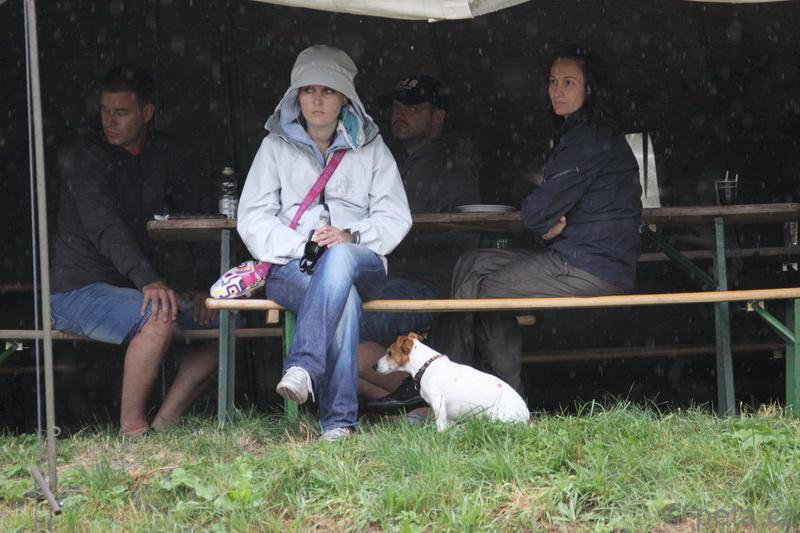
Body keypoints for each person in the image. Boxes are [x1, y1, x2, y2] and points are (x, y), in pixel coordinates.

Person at [435, 46, 642, 394]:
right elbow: (544, 212)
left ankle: (495, 396)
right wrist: (549, 223)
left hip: (591, 264)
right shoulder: (578, 132)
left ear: (590, 88)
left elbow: (534, 213)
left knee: (485, 292)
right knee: (470, 264)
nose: (557, 91)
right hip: (576, 253)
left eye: (569, 82)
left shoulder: (588, 138)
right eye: (552, 81)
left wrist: (547, 219)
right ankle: (454, 380)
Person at [237, 45, 411, 441]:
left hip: (360, 261)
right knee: (343, 299)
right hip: (293, 266)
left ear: (345, 98)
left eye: (328, 91)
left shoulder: (371, 146)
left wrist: (351, 236)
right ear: (295, 96)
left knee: (341, 259)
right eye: (308, 90)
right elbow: (253, 217)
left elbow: (395, 216)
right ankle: (339, 423)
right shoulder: (274, 147)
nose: (317, 100)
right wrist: (304, 246)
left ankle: (303, 364)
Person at [50, 65, 220, 436]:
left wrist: (207, 287)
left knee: (227, 319)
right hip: (77, 290)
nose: (109, 121)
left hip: (138, 290)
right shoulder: (86, 156)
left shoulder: (166, 153)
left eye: (121, 112)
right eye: (104, 111)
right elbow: (105, 227)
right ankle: (132, 430)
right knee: (158, 316)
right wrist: (149, 281)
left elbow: (199, 221)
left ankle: (162, 427)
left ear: (147, 112)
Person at [357, 75, 482, 407]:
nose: (400, 113)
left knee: (342, 326)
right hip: (397, 281)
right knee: (332, 329)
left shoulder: (443, 162)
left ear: (437, 117)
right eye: (397, 106)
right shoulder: (408, 161)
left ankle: (430, 397)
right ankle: (417, 407)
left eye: (412, 108)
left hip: (424, 285)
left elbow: (391, 228)